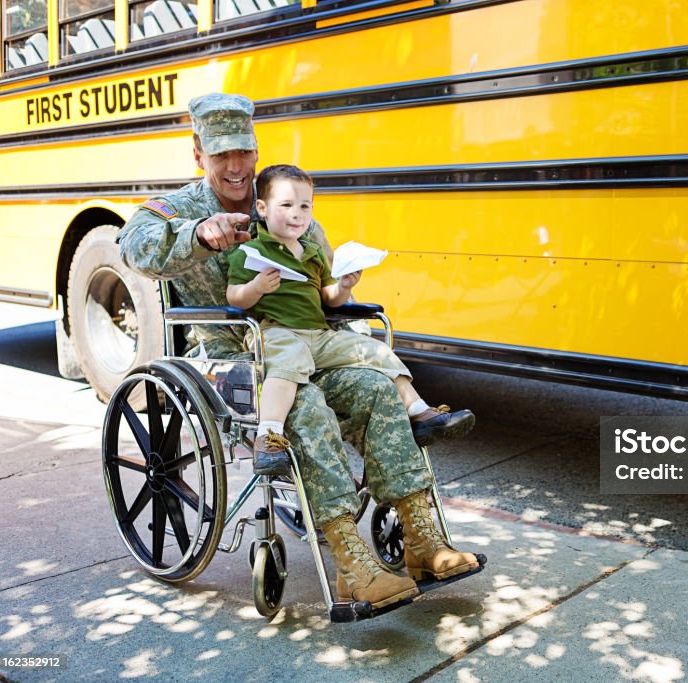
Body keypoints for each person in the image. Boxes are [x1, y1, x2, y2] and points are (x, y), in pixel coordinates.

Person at [118, 93, 479, 610]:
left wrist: (342, 286)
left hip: (306, 347)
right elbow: (135, 247)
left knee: (377, 388)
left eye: (244, 151)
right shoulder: (179, 209)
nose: (237, 166)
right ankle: (353, 563)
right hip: (234, 360)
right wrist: (198, 234)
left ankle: (423, 541)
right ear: (198, 153)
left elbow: (323, 291)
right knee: (304, 409)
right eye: (222, 155)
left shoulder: (285, 204)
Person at [225, 164, 474, 475]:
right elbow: (234, 296)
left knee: (375, 350)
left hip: (318, 334)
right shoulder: (251, 250)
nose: (298, 213)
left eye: (305, 205)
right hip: (277, 332)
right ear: (262, 208)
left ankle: (420, 412)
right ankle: (269, 436)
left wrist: (343, 287)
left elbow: (328, 299)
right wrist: (256, 287)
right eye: (286, 205)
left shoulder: (312, 252)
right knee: (289, 359)